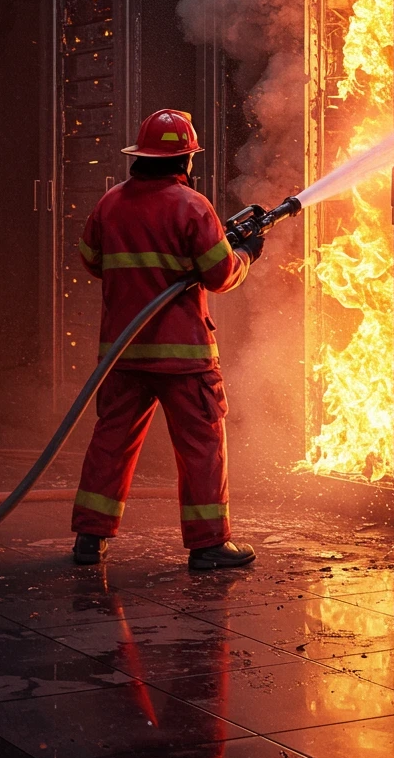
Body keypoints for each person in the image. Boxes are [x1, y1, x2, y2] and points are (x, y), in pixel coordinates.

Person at [71, 109, 264, 570]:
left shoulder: (110, 203)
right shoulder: (192, 206)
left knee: (110, 442)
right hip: (184, 359)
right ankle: (208, 544)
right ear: (185, 160)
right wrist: (246, 254)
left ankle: (89, 539)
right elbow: (219, 275)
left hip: (123, 353)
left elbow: (90, 260)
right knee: (201, 445)